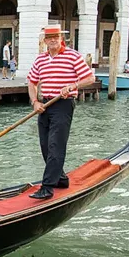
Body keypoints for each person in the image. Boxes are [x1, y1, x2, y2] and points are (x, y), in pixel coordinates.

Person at [26, 24, 95, 200]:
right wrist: (35, 102)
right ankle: (61, 178)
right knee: (45, 146)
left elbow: (90, 78)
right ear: (45, 40)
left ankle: (47, 187)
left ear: (61, 38)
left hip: (63, 104)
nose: (53, 40)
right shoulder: (41, 59)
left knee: (56, 145)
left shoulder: (72, 56)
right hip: (45, 104)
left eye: (56, 36)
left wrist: (72, 86)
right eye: (50, 37)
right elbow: (31, 81)